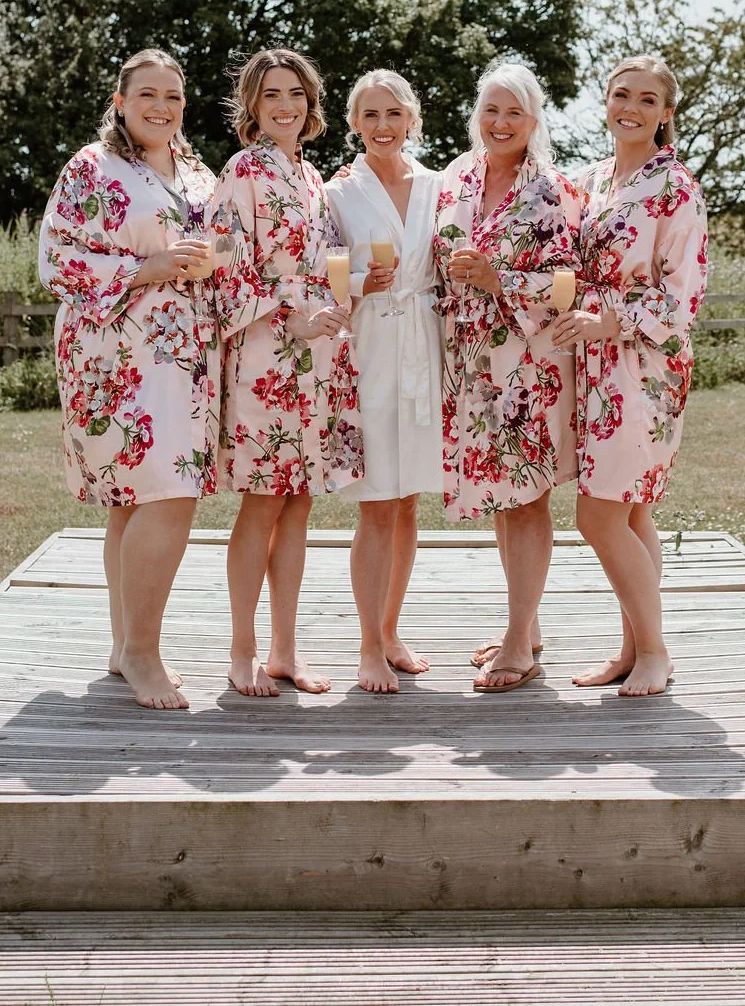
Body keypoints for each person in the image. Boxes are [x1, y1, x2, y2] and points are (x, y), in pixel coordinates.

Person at [38, 47, 219, 710]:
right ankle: (144, 651)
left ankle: (123, 644)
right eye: (148, 94)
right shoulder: (93, 167)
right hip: (114, 350)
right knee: (167, 492)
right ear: (120, 101)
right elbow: (55, 259)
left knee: (137, 496)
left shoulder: (194, 170)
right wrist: (148, 268)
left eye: (173, 96)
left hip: (184, 352)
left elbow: (208, 246)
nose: (162, 107)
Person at [209, 48, 364, 697]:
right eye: (271, 94)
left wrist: (339, 301)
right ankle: (242, 649)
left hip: (314, 363)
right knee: (263, 502)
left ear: (310, 102)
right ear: (252, 104)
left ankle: (285, 650)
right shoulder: (243, 169)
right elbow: (222, 260)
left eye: (295, 93)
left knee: (299, 506)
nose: (286, 105)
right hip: (264, 359)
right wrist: (290, 314)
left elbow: (325, 264)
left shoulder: (312, 177)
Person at [553, 54, 707, 697]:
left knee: (599, 516)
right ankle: (630, 650)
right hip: (591, 366)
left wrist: (608, 321)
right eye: (622, 95)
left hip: (643, 369)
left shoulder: (677, 188)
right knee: (633, 512)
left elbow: (684, 297)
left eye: (648, 100)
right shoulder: (592, 181)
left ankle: (655, 652)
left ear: (666, 114)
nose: (632, 108)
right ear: (606, 101)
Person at [434, 62, 580, 693]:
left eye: (514, 112)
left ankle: (520, 643)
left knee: (526, 499)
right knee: (502, 497)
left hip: (529, 362)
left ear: (534, 120)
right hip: (470, 363)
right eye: (491, 110)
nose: (500, 123)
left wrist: (502, 281)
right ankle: (528, 623)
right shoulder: (455, 182)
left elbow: (570, 282)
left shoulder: (553, 192)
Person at [326, 70, 444, 693]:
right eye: (369, 115)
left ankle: (392, 630)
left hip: (424, 345)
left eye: (393, 113)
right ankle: (368, 646)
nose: (381, 127)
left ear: (412, 118)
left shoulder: (437, 185)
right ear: (353, 123)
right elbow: (320, 271)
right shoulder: (337, 192)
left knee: (407, 501)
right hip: (370, 344)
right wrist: (353, 286)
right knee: (376, 503)